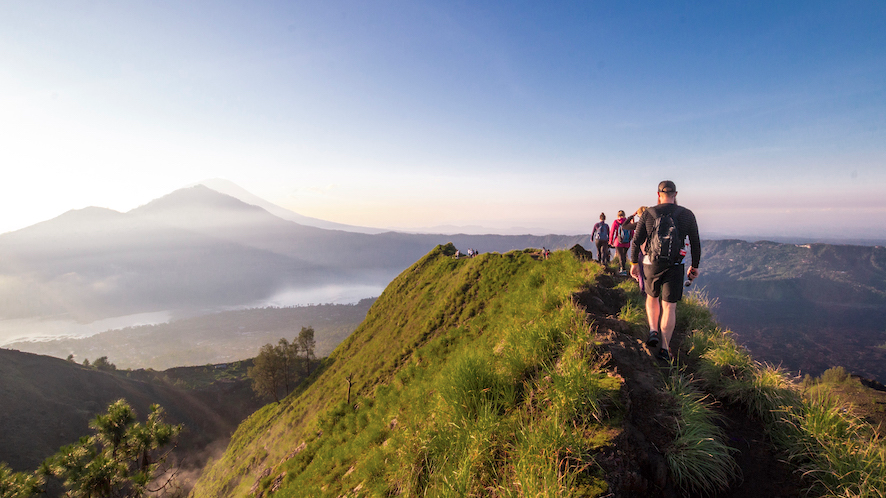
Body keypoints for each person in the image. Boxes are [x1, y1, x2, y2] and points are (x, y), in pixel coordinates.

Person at [629, 181, 700, 362]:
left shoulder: (649, 213)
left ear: (658, 194)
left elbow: (636, 241)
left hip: (651, 264)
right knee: (669, 306)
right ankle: (664, 348)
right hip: (675, 265)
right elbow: (695, 243)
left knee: (652, 297)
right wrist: (694, 266)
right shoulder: (687, 215)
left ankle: (653, 330)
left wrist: (634, 263)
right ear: (675, 194)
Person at [609, 210, 632, 276]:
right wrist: (629, 239)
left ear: (618, 215)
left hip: (618, 242)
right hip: (627, 242)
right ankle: (624, 269)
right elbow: (632, 232)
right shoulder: (628, 222)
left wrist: (610, 241)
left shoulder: (616, 222)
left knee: (620, 256)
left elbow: (612, 232)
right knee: (624, 255)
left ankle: (623, 270)